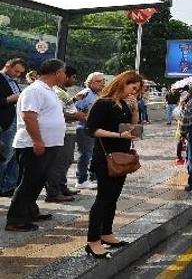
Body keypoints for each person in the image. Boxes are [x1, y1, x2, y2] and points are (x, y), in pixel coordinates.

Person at [84, 70, 143, 258]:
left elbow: (134, 129)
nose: (133, 93)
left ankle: (106, 233)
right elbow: (91, 130)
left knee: (113, 197)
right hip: (105, 157)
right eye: (133, 88)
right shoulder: (103, 103)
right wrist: (118, 135)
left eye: (137, 90)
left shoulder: (125, 105)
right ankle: (93, 240)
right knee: (103, 198)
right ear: (123, 83)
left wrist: (135, 110)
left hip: (121, 156)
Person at [5, 59, 68, 232]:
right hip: (33, 144)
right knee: (29, 182)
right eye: (63, 72)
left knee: (38, 180)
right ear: (56, 73)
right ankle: (16, 220)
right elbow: (29, 117)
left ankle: (30, 211)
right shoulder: (35, 90)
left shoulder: (49, 90)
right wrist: (38, 141)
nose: (65, 75)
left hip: (48, 144)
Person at [45, 65, 87, 202]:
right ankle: (53, 192)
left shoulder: (62, 91)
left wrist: (74, 103)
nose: (75, 80)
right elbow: (59, 113)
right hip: (62, 132)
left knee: (67, 160)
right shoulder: (56, 91)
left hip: (69, 131)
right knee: (59, 163)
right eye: (73, 77)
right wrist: (76, 116)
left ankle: (62, 187)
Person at [74, 72, 106, 190]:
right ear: (90, 83)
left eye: (103, 81)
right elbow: (76, 110)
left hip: (95, 129)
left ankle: (92, 177)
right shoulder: (85, 93)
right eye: (98, 81)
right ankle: (81, 180)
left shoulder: (98, 94)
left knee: (94, 154)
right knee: (85, 154)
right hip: (85, 128)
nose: (102, 83)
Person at [0, 58, 26, 198]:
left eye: (20, 73)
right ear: (7, 66)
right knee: (5, 156)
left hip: (16, 122)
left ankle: (9, 186)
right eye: (16, 71)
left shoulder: (13, 81)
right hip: (5, 124)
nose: (18, 75)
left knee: (14, 157)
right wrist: (11, 99)